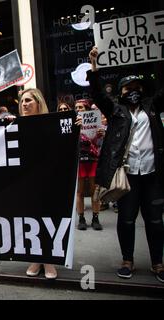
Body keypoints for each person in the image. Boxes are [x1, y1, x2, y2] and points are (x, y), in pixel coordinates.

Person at [88, 46, 164, 283]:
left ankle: (158, 263)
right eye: (128, 88)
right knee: (127, 219)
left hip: (152, 174)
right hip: (128, 176)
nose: (132, 91)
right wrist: (94, 67)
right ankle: (127, 261)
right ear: (121, 92)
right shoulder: (116, 110)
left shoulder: (151, 107)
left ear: (142, 90)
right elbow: (99, 95)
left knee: (154, 220)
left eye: (136, 88)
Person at [18, 88, 59, 280]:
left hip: (48, 179)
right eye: (22, 101)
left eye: (28, 100)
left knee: (47, 218)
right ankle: (36, 258)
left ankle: (47, 260)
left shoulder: (51, 123)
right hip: (25, 181)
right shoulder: (16, 124)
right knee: (32, 220)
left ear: (38, 103)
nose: (24, 104)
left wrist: (76, 126)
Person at [74, 99, 104, 231]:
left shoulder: (95, 122)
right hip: (79, 160)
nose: (79, 109)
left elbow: (98, 141)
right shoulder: (73, 122)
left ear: (87, 109)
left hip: (93, 159)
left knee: (94, 191)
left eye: (81, 107)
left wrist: (101, 133)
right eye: (76, 107)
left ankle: (95, 218)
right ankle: (81, 219)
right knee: (79, 192)